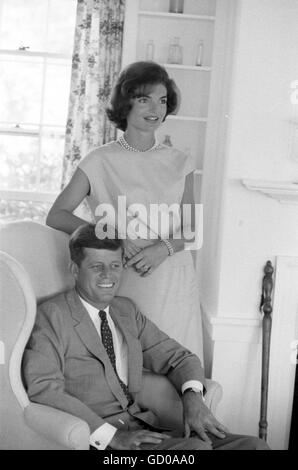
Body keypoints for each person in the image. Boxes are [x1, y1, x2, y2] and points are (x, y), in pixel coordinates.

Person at [22, 223, 269, 451]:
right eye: (97, 266)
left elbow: (180, 358)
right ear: (75, 269)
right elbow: (44, 389)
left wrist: (193, 398)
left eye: (115, 265)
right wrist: (112, 437)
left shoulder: (125, 310)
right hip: (101, 441)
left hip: (146, 429)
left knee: (254, 446)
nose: (108, 275)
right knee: (195, 451)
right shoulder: (52, 316)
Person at [46, 61, 203, 358]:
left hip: (172, 279)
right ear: (126, 103)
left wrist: (163, 249)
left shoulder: (181, 162)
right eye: (144, 99)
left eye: (162, 100)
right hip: (121, 276)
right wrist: (113, 236)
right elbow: (57, 215)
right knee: (126, 363)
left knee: (178, 365)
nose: (155, 108)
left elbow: (193, 229)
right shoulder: (98, 160)